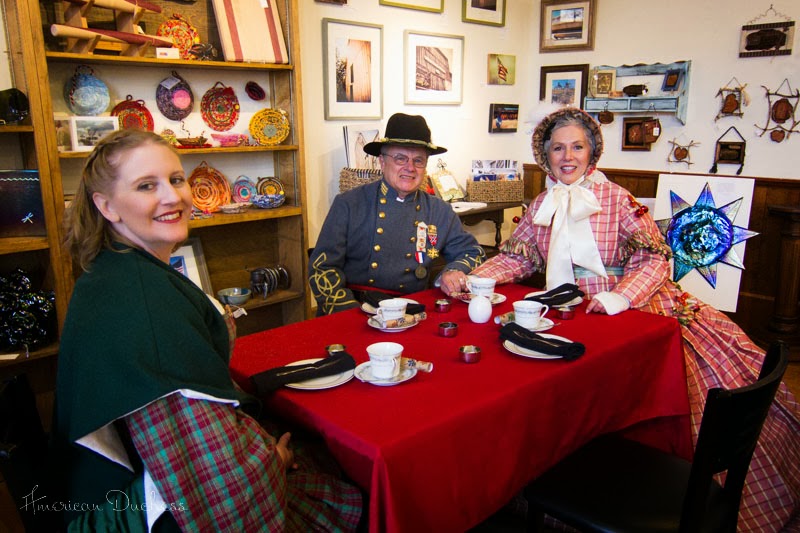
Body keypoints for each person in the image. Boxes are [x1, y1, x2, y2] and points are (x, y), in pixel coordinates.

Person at [470, 106, 800, 531]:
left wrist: (619, 297)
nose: (567, 156)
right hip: (575, 320)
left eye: (577, 146)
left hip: (638, 312)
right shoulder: (541, 205)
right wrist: (474, 279)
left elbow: (656, 256)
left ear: (592, 152)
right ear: (544, 155)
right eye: (557, 148)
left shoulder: (616, 198)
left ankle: (663, 497)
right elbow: (519, 257)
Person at [54, 129, 362, 531]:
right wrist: (276, 460)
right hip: (150, 513)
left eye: (176, 179)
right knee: (351, 483)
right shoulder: (144, 306)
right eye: (147, 185)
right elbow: (217, 482)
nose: (172, 197)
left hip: (115, 486)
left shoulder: (114, 272)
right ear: (106, 205)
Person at [309, 113, 484, 315]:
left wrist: (453, 271)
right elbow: (322, 268)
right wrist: (349, 314)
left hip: (414, 312)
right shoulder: (349, 204)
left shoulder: (440, 210)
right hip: (359, 311)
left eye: (418, 160)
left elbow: (472, 252)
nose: (410, 168)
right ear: (382, 162)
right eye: (400, 158)